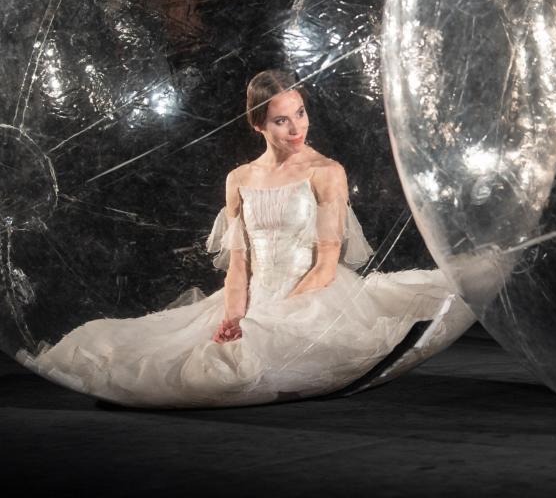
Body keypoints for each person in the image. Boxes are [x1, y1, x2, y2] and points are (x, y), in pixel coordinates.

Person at [17, 69, 474, 408]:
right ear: (258, 124)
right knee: (123, 345)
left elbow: (328, 261)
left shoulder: (326, 172)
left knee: (238, 363)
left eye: (300, 113)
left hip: (314, 293)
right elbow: (239, 264)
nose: (297, 129)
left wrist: (275, 313)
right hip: (254, 293)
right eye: (281, 121)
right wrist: (235, 314)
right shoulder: (239, 178)